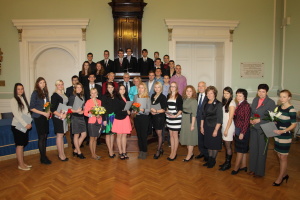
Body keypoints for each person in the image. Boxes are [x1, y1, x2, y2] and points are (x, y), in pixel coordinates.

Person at [249, 84, 276, 177]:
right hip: (254, 128)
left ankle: (259, 172)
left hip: (264, 129)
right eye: (259, 91)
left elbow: (272, 118)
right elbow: (252, 112)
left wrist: (260, 120)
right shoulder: (255, 100)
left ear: (267, 92)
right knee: (253, 149)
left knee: (262, 151)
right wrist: (250, 119)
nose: (261, 93)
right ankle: (252, 168)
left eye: (263, 91)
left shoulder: (271, 102)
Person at [272, 89, 296, 186]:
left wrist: (283, 130)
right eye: (281, 96)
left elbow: (294, 124)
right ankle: (285, 174)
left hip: (285, 135)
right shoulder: (279, 107)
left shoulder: (292, 109)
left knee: (283, 157)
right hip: (277, 134)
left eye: (284, 97)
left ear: (289, 98)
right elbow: (278, 120)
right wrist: (275, 122)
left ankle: (280, 177)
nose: (282, 98)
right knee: (279, 155)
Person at [30, 77, 51, 164]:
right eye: (41, 82)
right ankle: (42, 157)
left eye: (44, 82)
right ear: (37, 84)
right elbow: (32, 108)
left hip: (45, 116)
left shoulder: (45, 92)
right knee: (41, 137)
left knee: (45, 136)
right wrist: (43, 113)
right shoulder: (35, 93)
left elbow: (48, 104)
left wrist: (48, 111)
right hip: (39, 116)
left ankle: (44, 155)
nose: (43, 84)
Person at [11, 83, 32, 170]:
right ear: (15, 90)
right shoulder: (13, 100)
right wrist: (25, 124)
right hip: (18, 126)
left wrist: (29, 122)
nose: (20, 90)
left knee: (22, 145)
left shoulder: (23, 98)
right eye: (18, 89)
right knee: (19, 145)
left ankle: (22, 162)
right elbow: (17, 115)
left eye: (22, 89)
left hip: (24, 125)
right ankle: (20, 165)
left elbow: (26, 113)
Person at [200, 86, 223, 168]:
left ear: (215, 94)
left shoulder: (218, 104)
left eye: (211, 93)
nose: (209, 95)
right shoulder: (206, 103)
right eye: (208, 93)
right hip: (206, 126)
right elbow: (203, 115)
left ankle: (213, 160)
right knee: (209, 144)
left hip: (214, 127)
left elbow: (219, 119)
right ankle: (209, 159)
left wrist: (216, 130)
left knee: (214, 145)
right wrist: (202, 127)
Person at [231, 88, 251, 175]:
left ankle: (236, 168)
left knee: (239, 149)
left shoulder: (246, 105)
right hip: (238, 128)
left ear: (244, 96)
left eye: (240, 96)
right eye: (237, 95)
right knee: (243, 149)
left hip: (243, 130)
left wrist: (242, 132)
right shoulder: (239, 104)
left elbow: (246, 120)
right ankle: (243, 165)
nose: (238, 97)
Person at [112, 85, 132, 160]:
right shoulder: (116, 98)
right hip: (119, 119)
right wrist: (126, 112)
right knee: (119, 136)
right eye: (121, 89)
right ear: (118, 90)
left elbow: (129, 107)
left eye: (124, 89)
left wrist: (130, 111)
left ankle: (124, 152)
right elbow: (116, 110)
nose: (122, 90)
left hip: (126, 118)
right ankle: (120, 152)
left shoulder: (127, 98)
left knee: (124, 136)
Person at [51, 80, 69, 161]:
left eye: (62, 84)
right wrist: (61, 115)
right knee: (59, 135)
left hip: (64, 117)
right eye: (59, 84)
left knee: (62, 135)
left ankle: (62, 153)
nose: (60, 86)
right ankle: (60, 154)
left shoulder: (63, 94)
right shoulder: (54, 95)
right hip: (58, 118)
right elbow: (52, 109)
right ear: (56, 85)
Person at [84, 88, 104, 160]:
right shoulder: (88, 102)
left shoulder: (100, 101)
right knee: (92, 138)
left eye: (95, 92)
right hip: (92, 122)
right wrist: (92, 115)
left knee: (95, 138)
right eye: (92, 93)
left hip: (99, 121)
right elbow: (85, 113)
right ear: (90, 94)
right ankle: (92, 154)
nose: (94, 94)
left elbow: (102, 111)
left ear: (97, 93)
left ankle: (95, 153)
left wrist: (100, 114)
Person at [68, 83, 87, 159]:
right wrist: (76, 111)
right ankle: (79, 152)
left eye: (80, 87)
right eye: (77, 87)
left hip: (81, 117)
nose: (79, 88)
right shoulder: (73, 97)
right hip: (75, 117)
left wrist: (83, 110)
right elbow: (69, 109)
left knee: (84, 135)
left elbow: (82, 107)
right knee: (76, 135)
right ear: (75, 89)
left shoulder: (82, 96)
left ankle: (75, 150)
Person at [219, 87, 236, 171]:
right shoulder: (225, 102)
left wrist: (226, 129)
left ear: (231, 94)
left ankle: (228, 164)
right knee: (226, 146)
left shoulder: (232, 103)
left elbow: (230, 118)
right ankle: (226, 162)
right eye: (224, 93)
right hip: (224, 126)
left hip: (228, 127)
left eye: (227, 93)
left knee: (228, 146)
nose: (225, 95)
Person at [180, 85, 198, 162]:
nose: (188, 92)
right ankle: (191, 153)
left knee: (190, 138)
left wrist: (192, 125)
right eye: (187, 91)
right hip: (184, 119)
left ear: (193, 92)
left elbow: (194, 114)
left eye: (190, 91)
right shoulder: (184, 99)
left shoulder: (194, 101)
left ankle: (189, 155)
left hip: (190, 120)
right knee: (187, 137)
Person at [166, 82, 183, 161]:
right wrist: (167, 112)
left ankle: (174, 153)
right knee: (171, 135)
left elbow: (180, 109)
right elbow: (166, 107)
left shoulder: (179, 97)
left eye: (174, 86)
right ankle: (171, 152)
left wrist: (175, 116)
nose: (172, 88)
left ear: (176, 88)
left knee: (175, 135)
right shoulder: (168, 96)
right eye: (171, 86)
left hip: (176, 118)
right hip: (169, 118)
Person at [133, 82, 151, 159]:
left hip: (144, 118)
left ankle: (144, 151)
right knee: (139, 135)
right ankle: (140, 151)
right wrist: (134, 110)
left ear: (145, 89)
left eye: (142, 88)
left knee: (143, 135)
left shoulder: (147, 98)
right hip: (137, 117)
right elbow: (134, 106)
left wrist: (143, 110)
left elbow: (149, 110)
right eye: (139, 87)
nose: (140, 89)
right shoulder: (135, 96)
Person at [150, 82, 167, 159]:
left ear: (161, 88)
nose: (157, 89)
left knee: (159, 134)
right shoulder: (153, 95)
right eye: (155, 87)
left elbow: (164, 109)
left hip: (160, 118)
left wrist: (156, 111)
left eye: (158, 87)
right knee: (157, 134)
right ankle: (161, 149)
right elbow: (151, 105)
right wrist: (152, 111)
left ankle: (158, 151)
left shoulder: (163, 97)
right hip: (154, 117)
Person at [102, 82, 117, 158]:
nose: (110, 89)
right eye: (109, 87)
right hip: (107, 117)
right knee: (108, 134)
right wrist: (104, 119)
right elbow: (103, 109)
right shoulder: (104, 96)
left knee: (113, 134)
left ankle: (111, 149)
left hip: (114, 117)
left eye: (111, 87)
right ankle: (110, 151)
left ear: (114, 88)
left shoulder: (116, 96)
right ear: (107, 88)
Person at [195, 81, 208, 161]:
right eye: (199, 86)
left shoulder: (208, 96)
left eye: (202, 86)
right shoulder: (196, 96)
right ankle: (202, 152)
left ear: (205, 87)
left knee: (205, 137)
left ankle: (207, 155)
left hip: (206, 121)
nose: (200, 88)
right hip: (197, 119)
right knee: (199, 137)